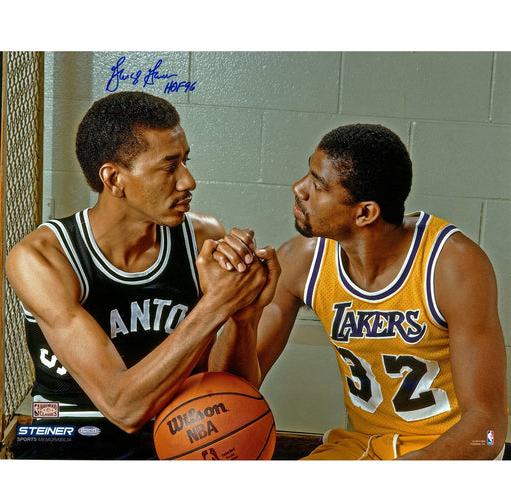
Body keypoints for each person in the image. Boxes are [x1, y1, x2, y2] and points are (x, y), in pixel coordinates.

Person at [6, 91, 278, 459]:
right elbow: (122, 408)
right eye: (169, 167)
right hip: (69, 431)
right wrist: (216, 305)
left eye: (186, 161)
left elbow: (231, 393)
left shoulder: (200, 238)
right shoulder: (43, 257)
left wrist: (243, 316)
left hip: (176, 426)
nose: (188, 181)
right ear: (114, 178)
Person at [211, 123, 508, 460]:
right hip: (362, 450)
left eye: (318, 185)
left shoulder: (452, 264)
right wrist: (239, 315)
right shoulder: (303, 260)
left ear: (365, 212)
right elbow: (227, 395)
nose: (298, 188)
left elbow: (488, 430)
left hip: (447, 459)